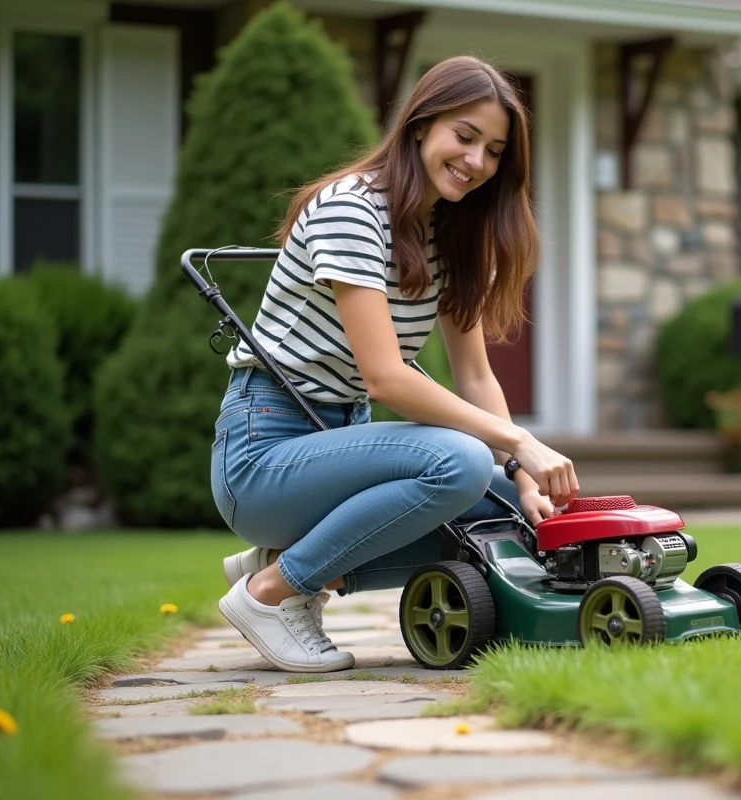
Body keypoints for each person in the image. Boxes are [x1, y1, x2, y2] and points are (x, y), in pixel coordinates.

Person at [210, 55, 580, 673]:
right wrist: (519, 440)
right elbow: (386, 378)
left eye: (493, 151)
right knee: (459, 460)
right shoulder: (351, 210)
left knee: (508, 510)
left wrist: (520, 472)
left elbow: (476, 376)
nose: (476, 162)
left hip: (338, 446)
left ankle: (289, 559)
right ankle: (270, 593)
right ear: (419, 125)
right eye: (464, 137)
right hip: (264, 455)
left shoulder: (454, 236)